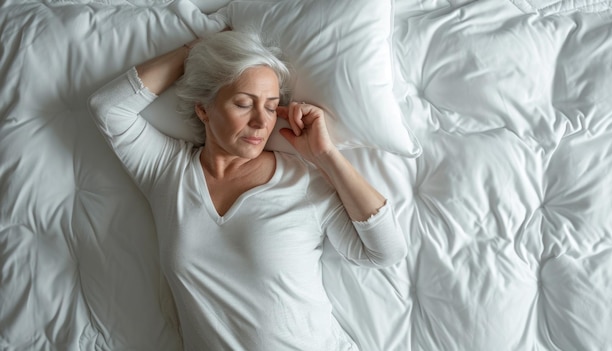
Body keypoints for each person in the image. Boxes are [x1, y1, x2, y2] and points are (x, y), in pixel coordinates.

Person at [88, 30, 407, 351]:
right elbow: (109, 108)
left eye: (271, 107)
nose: (260, 122)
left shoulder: (301, 180)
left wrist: (326, 155)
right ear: (203, 109)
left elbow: (385, 252)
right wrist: (197, 50)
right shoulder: (168, 172)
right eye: (243, 103)